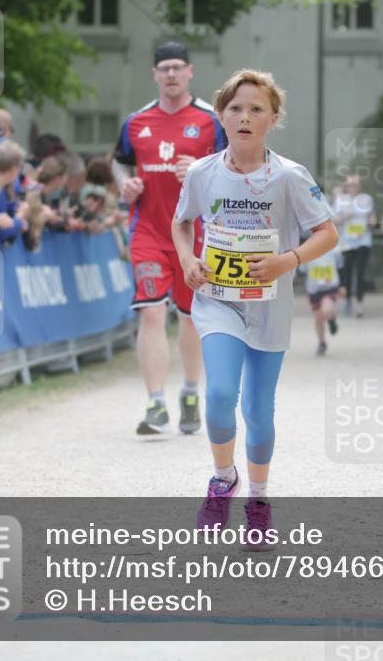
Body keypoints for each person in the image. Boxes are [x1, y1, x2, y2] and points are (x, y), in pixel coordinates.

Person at [171, 69, 339, 544]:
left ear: (273, 118)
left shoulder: (288, 176)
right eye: (235, 109)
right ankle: (223, 479)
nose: (245, 117)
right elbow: (181, 223)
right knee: (222, 394)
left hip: (269, 306)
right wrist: (187, 259)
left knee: (259, 414)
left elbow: (328, 233)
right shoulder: (204, 173)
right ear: (221, 117)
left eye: (256, 109)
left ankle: (259, 499)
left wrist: (289, 260)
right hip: (218, 301)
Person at [112, 41, 227, 436]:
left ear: (191, 71)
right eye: (165, 68)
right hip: (147, 230)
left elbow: (235, 168)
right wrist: (123, 185)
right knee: (150, 311)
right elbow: (120, 162)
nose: (172, 74)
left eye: (179, 67)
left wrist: (201, 169)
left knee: (190, 317)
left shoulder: (212, 120)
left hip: (196, 235)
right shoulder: (136, 122)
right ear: (155, 75)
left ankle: (191, 393)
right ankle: (155, 403)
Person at [332, 174, 374, 318]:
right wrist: (346, 216)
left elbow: (371, 216)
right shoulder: (340, 200)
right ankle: (347, 300)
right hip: (346, 243)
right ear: (346, 187)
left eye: (355, 185)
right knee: (346, 273)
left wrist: (372, 221)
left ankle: (360, 302)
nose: (352, 188)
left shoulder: (365, 199)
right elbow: (334, 220)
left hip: (363, 241)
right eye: (350, 185)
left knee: (361, 272)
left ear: (359, 187)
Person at [304, 244, 344, 356]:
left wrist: (342, 286)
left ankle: (331, 321)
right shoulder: (307, 249)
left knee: (326, 309)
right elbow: (304, 272)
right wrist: (307, 292)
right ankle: (322, 342)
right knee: (318, 318)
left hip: (330, 287)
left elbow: (341, 268)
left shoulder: (335, 250)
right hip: (314, 289)